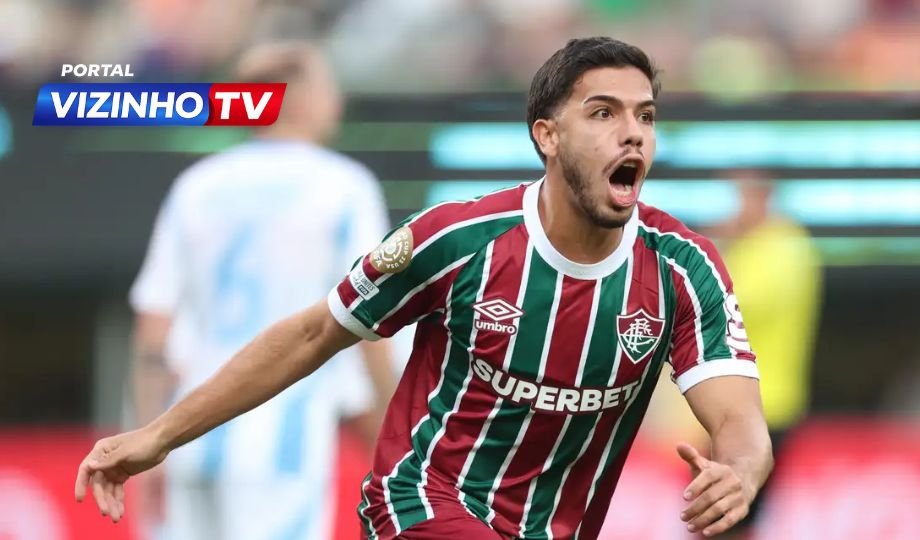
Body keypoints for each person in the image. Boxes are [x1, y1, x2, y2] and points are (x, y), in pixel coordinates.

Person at [76, 37, 773, 540]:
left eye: (645, 116)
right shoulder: (457, 241)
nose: (633, 135)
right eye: (603, 113)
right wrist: (156, 435)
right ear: (547, 136)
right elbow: (317, 333)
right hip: (419, 504)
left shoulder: (683, 269)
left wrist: (741, 472)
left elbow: (740, 419)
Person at [126, 41, 398, 540]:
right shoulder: (342, 187)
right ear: (304, 98)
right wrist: (393, 435)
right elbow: (370, 312)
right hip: (281, 436)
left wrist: (147, 440)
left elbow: (154, 328)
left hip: (187, 432)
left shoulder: (197, 186)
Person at [712, 171, 822, 538]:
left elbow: (727, 305)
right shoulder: (771, 245)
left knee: (730, 514)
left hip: (762, 403)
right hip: (745, 402)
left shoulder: (781, 247)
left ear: (762, 197)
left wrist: (718, 248)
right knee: (725, 512)